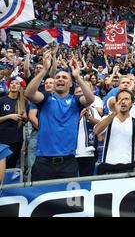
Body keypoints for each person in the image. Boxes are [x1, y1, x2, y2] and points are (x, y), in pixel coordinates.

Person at [24, 51, 95, 181]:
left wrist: (77, 77)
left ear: (70, 84)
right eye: (57, 77)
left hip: (68, 161)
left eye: (64, 77)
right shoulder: (45, 98)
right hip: (43, 161)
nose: (60, 79)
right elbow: (28, 94)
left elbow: (90, 99)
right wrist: (45, 70)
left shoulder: (76, 100)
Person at [94, 89, 135, 175]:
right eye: (120, 99)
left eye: (126, 99)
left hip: (129, 167)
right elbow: (96, 131)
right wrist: (114, 113)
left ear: (132, 103)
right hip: (108, 168)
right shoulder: (107, 118)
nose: (123, 102)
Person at [0, 76, 27, 169]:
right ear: (8, 85)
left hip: (17, 139)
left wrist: (24, 118)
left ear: (20, 87)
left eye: (17, 83)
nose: (14, 85)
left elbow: (26, 119)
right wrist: (9, 116)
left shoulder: (24, 102)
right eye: (12, 83)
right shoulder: (2, 100)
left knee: (12, 166)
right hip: (2, 139)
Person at [74, 86, 101, 177]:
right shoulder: (69, 110)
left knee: (86, 182)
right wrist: (79, 117)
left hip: (89, 153)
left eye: (82, 91)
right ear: (74, 96)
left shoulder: (93, 110)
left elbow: (101, 125)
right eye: (78, 92)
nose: (80, 94)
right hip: (72, 153)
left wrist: (89, 118)